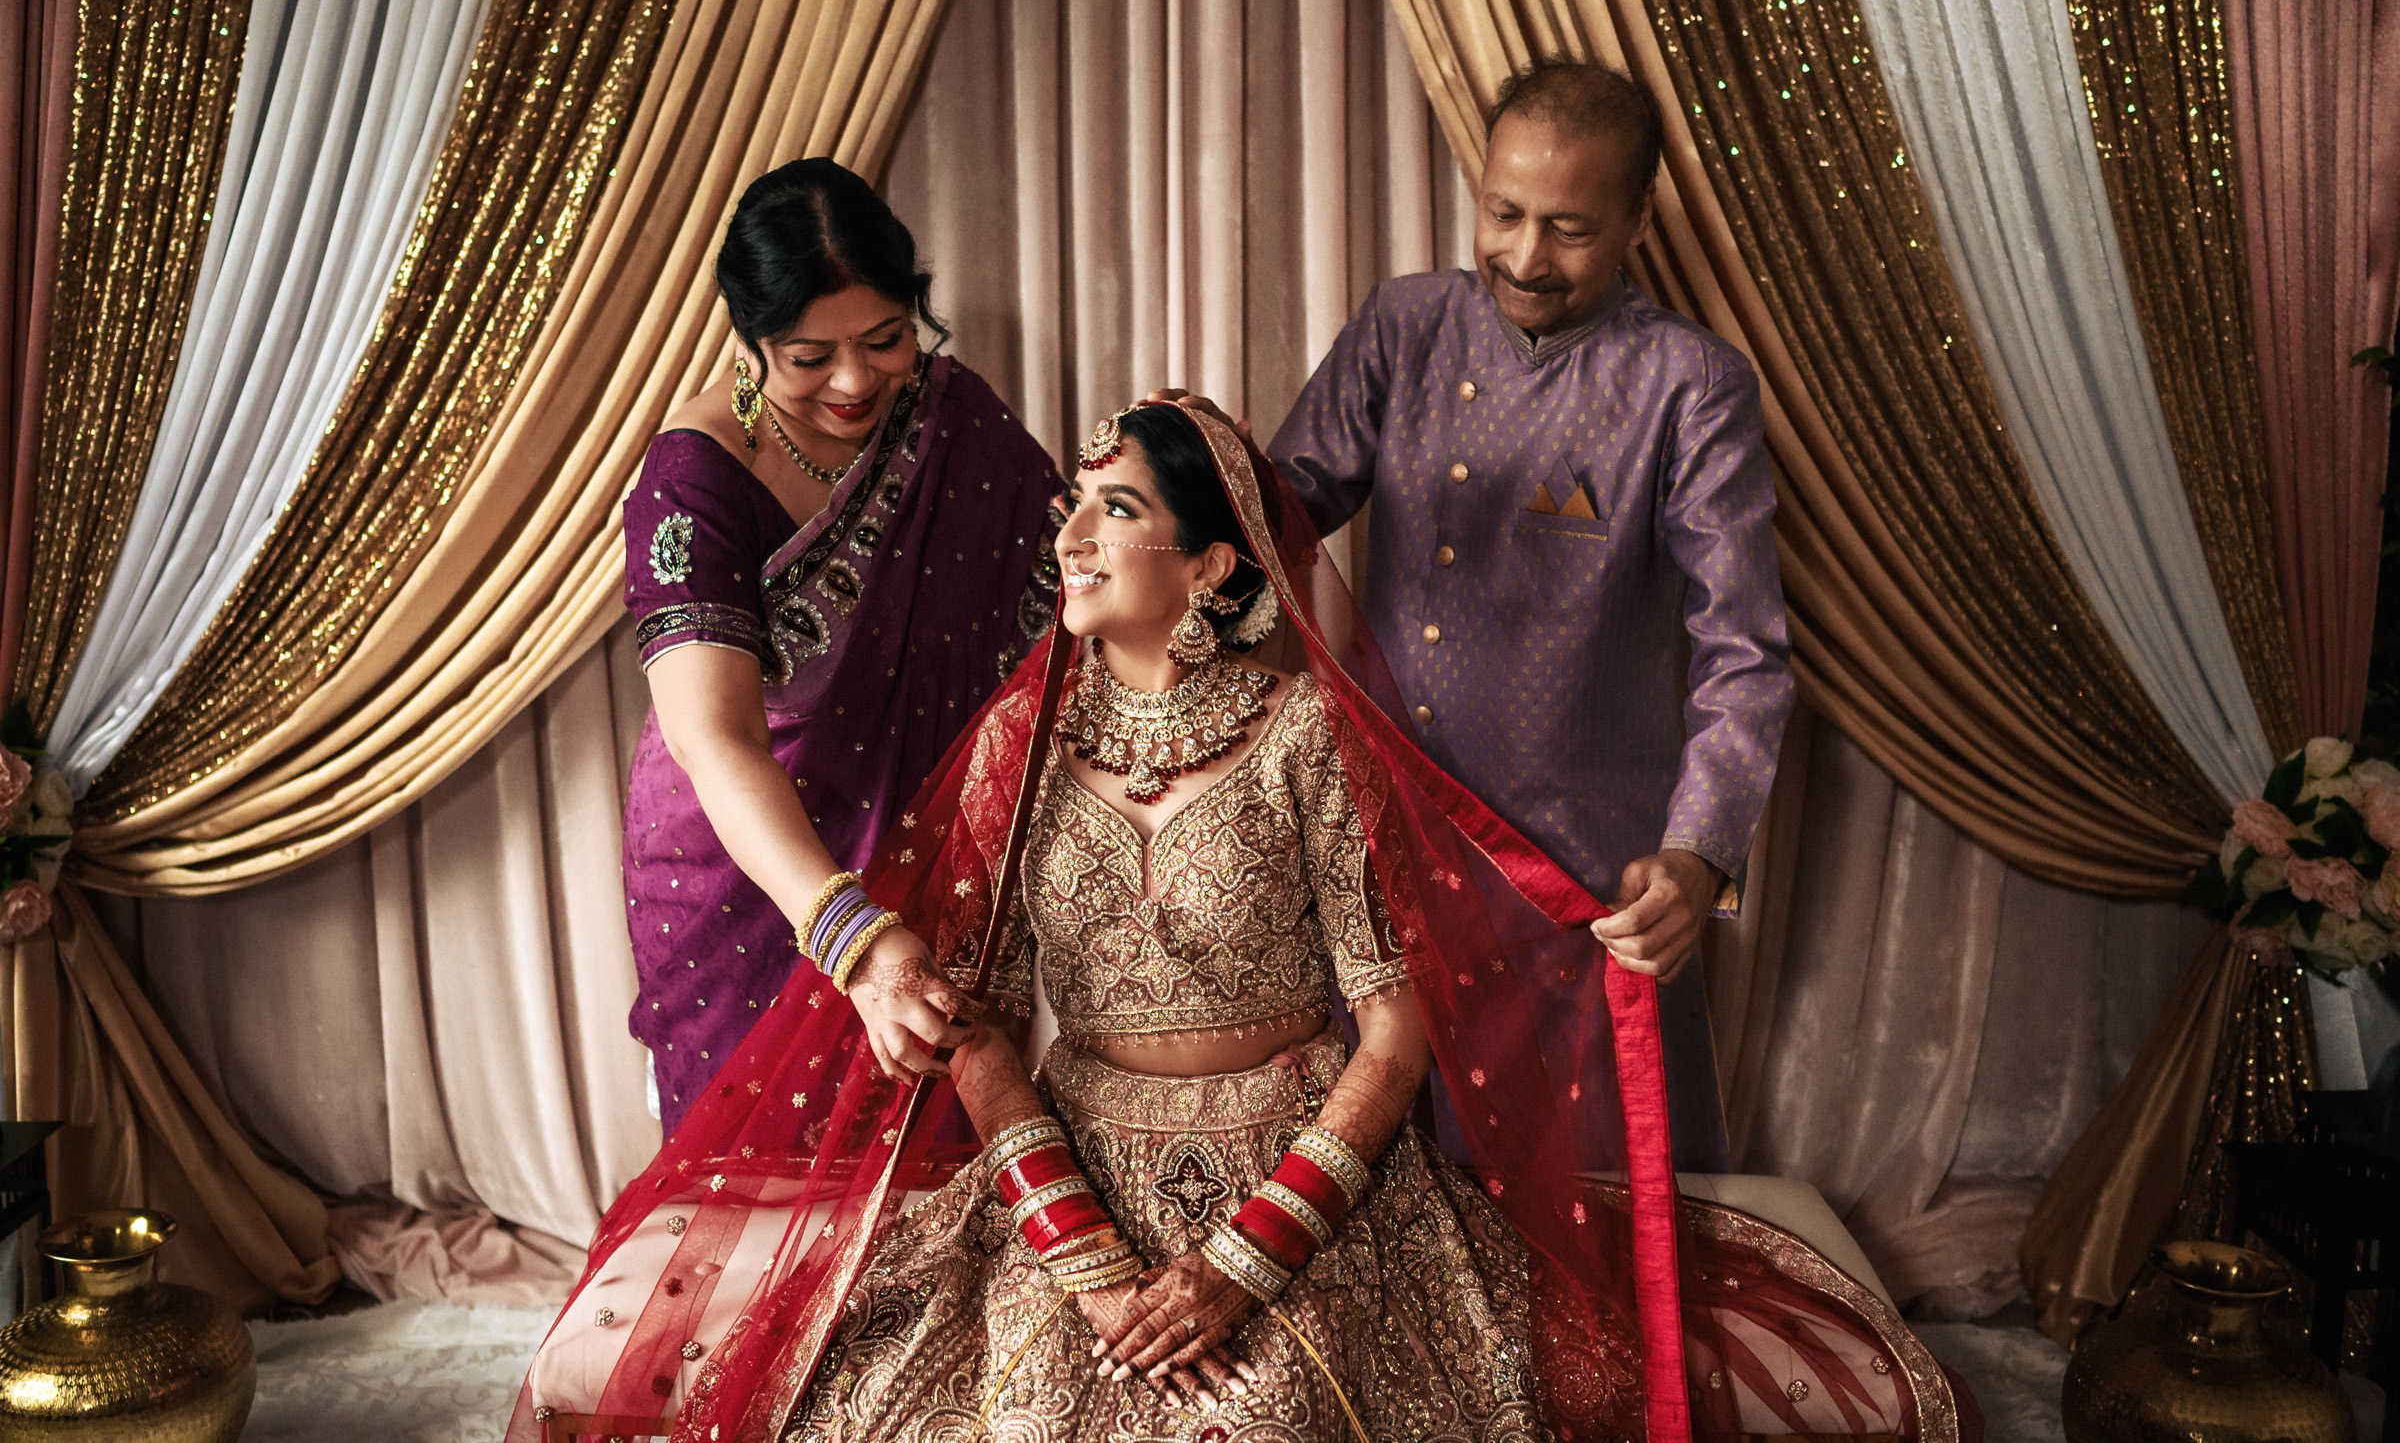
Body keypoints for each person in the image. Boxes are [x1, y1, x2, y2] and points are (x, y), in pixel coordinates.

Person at [517, 405, 1965, 1443]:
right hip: (1070, 1170)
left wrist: (1245, 1258)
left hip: (1298, 1173)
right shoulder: (1017, 752)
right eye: (1074, 501)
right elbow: (973, 1025)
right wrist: (1082, 1255)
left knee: (1267, 1414)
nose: (1069, 534)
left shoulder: (1301, 738)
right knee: (1006, 1416)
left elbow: (1394, 1021)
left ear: (1214, 565)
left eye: (1117, 510)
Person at [1236, 56, 1793, 1168]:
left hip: (1579, 887)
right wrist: (1164, 481)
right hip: (1388, 857)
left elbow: (1747, 654)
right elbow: (1273, 513)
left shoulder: (1690, 386)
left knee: (1588, 1227)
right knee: (1386, 1196)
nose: (1527, 257)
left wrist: (1697, 858)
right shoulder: (1409, 326)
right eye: (1505, 213)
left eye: (1570, 229)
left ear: (1639, 218)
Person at [619, 157, 1062, 1129]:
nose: (857, 380)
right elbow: (711, 738)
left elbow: (1071, 586)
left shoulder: (949, 416)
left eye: (885, 338)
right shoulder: (692, 480)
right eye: (809, 357)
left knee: (924, 1172)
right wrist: (854, 936)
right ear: (749, 336)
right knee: (760, 1191)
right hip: (747, 864)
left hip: (928, 840)